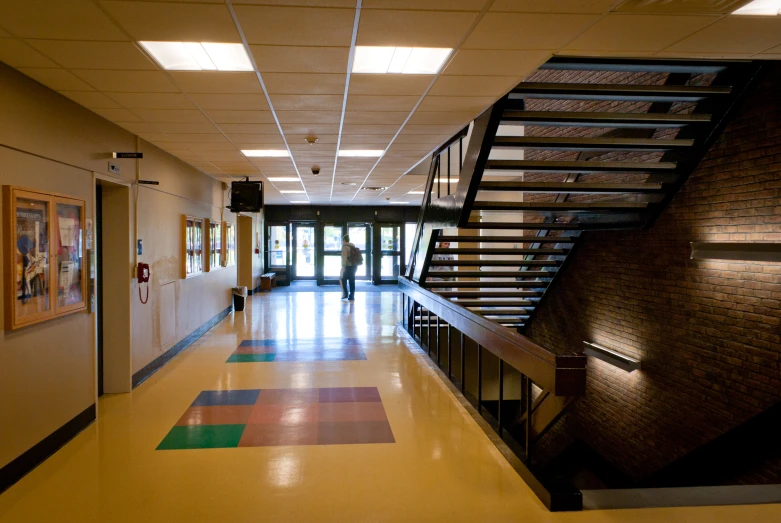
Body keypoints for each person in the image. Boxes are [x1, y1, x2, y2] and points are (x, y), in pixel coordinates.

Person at [340, 234, 358, 301]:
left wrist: (343, 266)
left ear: (344, 240)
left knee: (342, 279)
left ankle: (346, 293)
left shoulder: (345, 246)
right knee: (352, 281)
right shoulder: (352, 245)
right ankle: (352, 295)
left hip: (348, 266)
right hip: (354, 266)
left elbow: (344, 257)